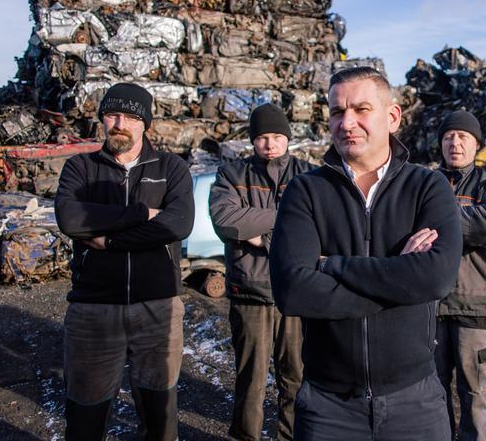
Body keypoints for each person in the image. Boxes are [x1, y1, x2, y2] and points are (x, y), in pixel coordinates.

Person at [269, 66, 463, 440]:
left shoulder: (428, 186)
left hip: (415, 402)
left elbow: (436, 278)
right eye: (337, 112)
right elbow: (292, 292)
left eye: (361, 109)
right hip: (329, 407)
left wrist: (332, 266)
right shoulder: (305, 191)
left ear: (393, 117)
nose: (347, 123)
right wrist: (400, 278)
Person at [55, 82, 195, 440]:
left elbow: (177, 224)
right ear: (102, 119)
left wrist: (109, 239)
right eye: (112, 115)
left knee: (160, 419)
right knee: (85, 417)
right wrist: (142, 213)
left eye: (131, 118)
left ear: (145, 123)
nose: (120, 124)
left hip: (158, 309)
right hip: (94, 310)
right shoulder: (81, 168)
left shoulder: (171, 168)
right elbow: (70, 219)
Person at [208, 103, 314, 441]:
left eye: (277, 137)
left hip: (296, 294)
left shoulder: (308, 175)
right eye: (263, 137)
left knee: (296, 376)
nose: (270, 144)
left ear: (288, 138)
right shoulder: (232, 174)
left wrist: (257, 232)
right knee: (250, 379)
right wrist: (286, 217)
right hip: (250, 291)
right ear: (253, 140)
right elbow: (225, 220)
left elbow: (317, 226)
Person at [433, 111, 486, 441]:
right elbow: (406, 223)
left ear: (477, 144)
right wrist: (463, 221)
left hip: (475, 305)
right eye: (448, 137)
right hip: (431, 305)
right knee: (432, 395)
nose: (455, 143)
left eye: (463, 137)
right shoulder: (425, 182)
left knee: (476, 396)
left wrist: (436, 222)